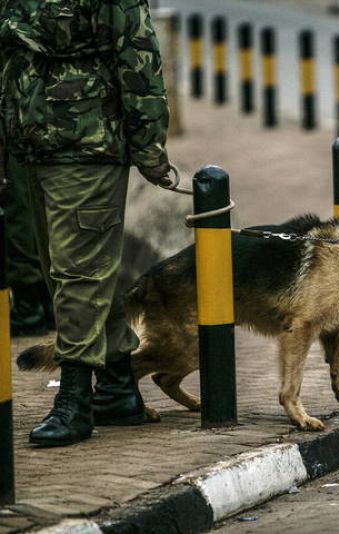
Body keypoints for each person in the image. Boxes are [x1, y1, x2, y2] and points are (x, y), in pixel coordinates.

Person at [0, 0, 172, 447]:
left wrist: (149, 147)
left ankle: (74, 401)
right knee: (78, 271)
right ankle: (117, 390)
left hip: (87, 145)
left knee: (77, 274)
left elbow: (138, 52)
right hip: (31, 146)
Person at [0, 152, 55, 337]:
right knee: (32, 211)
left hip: (15, 140)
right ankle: (44, 305)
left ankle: (29, 309)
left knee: (17, 214)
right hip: (31, 141)